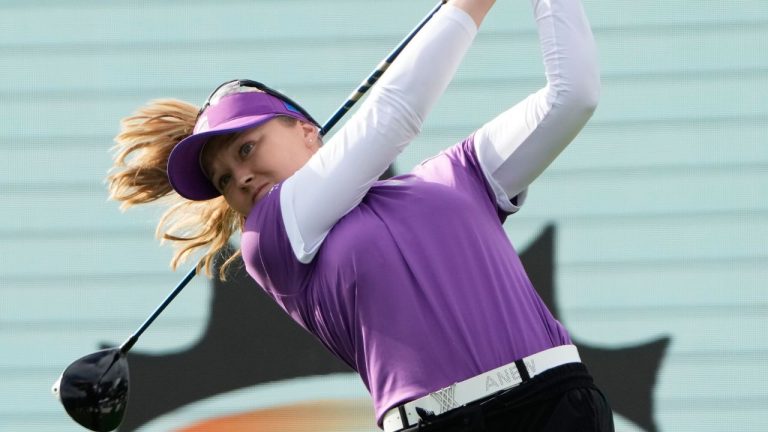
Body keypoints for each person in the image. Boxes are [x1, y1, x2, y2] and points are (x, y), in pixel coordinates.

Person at [108, 0, 613, 430]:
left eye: (246, 149)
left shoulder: (458, 175)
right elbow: (393, 114)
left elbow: (573, 95)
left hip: (557, 402)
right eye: (222, 180)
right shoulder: (271, 237)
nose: (238, 178)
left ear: (307, 131)